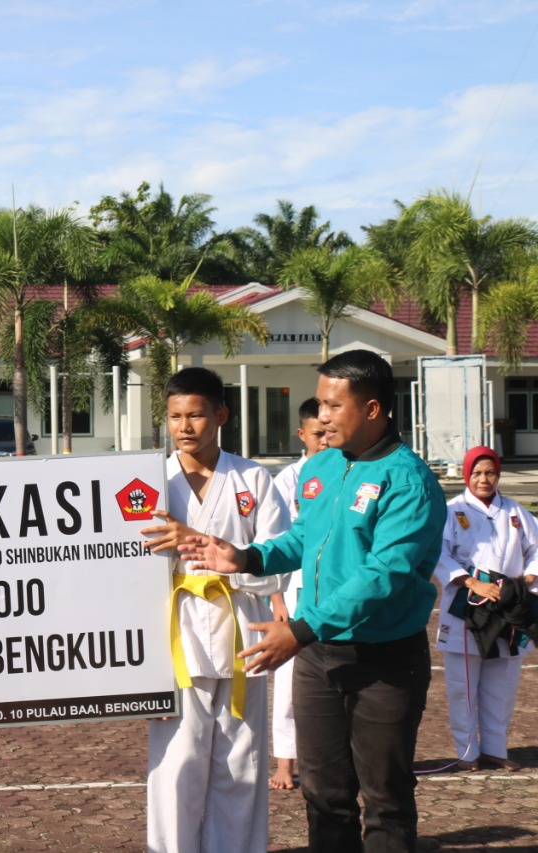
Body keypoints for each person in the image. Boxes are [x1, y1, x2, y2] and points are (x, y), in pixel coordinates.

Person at [180, 349, 447, 852]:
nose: (320, 416)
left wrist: (300, 629)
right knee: (324, 794)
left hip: (383, 660)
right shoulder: (320, 467)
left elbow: (383, 576)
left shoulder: (408, 481)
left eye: (332, 405)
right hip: (320, 656)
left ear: (372, 410)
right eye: (320, 404)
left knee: (385, 797)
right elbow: (303, 538)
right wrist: (247, 558)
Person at [138, 367, 288, 853]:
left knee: (240, 762)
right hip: (173, 634)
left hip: (242, 631)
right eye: (175, 416)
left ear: (221, 414)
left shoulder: (253, 478)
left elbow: (278, 567)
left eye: (197, 415)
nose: (184, 426)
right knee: (177, 761)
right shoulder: (146, 482)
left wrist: (208, 549)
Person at [435, 445, 538, 772]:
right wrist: (470, 582)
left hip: (507, 606)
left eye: (490, 472)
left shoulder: (515, 512)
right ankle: (467, 753)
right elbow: (439, 555)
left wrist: (530, 576)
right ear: (467, 474)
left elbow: (536, 549)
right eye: (477, 473)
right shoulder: (452, 510)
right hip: (467, 607)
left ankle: (495, 748)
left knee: (502, 684)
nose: (484, 479)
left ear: (498, 474)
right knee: (463, 686)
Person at [268, 398, 328, 791]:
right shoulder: (288, 480)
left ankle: (332, 760)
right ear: (302, 434)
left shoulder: (349, 473)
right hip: (293, 592)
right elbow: (274, 541)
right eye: (317, 433)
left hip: (334, 593)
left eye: (328, 431)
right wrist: (276, 600)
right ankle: (285, 764)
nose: (324, 439)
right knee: (289, 685)